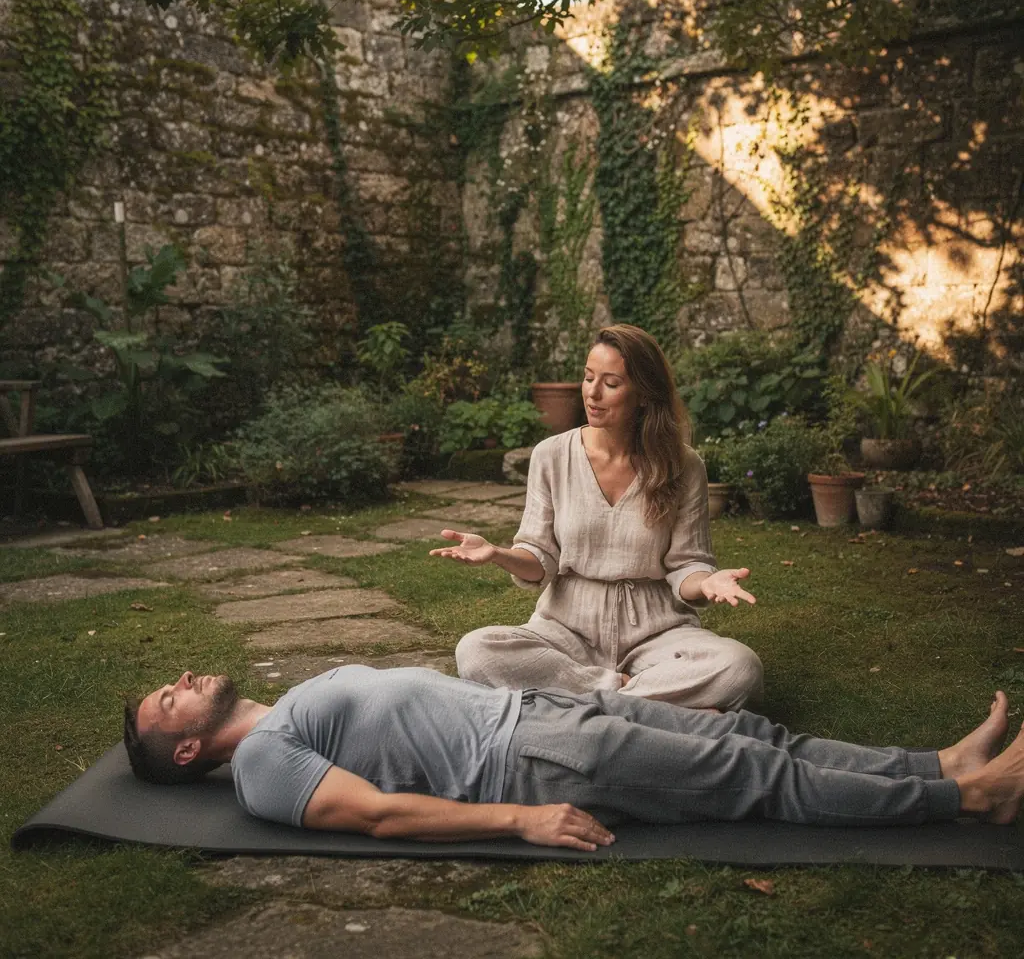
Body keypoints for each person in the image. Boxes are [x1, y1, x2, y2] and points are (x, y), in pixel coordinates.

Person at [124, 666, 1024, 851]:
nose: (181, 679)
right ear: (190, 746)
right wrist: (522, 819)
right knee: (759, 782)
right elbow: (376, 813)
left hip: (546, 708)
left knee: (754, 736)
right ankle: (971, 803)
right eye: (170, 700)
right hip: (535, 758)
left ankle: (935, 764)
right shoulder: (262, 766)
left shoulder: (279, 714)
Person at [433, 324, 762, 711]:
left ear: (642, 394)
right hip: (567, 628)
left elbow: (685, 564)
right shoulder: (551, 455)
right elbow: (540, 558)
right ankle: (640, 700)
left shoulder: (683, 465)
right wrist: (497, 553)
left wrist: (707, 583)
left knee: (741, 668)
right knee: (476, 652)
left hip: (659, 630)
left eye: (611, 383)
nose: (591, 392)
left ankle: (582, 702)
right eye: (588, 377)